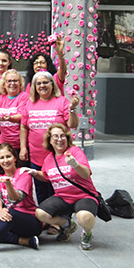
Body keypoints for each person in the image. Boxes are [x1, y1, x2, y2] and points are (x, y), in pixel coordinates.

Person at [27, 124, 99, 250]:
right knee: (40, 213)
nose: (59, 139)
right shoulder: (49, 158)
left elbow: (86, 174)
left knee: (84, 217)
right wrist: (34, 173)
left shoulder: (75, 151)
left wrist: (75, 164)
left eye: (62, 136)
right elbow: (46, 176)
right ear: (50, 140)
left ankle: (87, 233)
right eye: (55, 136)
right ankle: (68, 225)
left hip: (84, 195)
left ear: (67, 138)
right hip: (63, 197)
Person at [20, 70, 79, 204]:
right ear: (34, 87)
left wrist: (72, 109)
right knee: (40, 190)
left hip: (57, 157)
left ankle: (59, 214)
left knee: (57, 189)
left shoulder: (62, 101)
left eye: (45, 82)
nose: (42, 85)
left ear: (52, 84)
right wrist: (23, 147)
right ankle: (44, 214)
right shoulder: (29, 103)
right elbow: (24, 127)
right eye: (38, 83)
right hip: (36, 156)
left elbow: (73, 124)